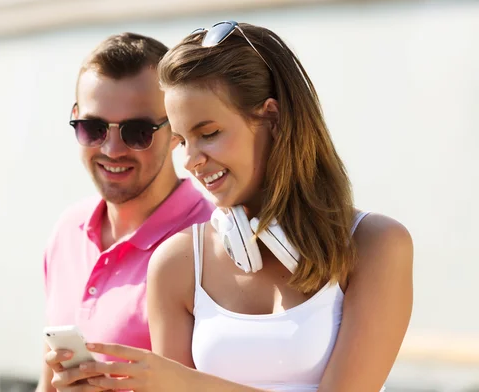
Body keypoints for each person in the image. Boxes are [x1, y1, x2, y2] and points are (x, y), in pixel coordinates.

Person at [74, 21, 414, 392]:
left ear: (273, 117)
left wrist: (189, 384)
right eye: (182, 140)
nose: (190, 160)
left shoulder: (376, 245)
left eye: (208, 134)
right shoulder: (177, 264)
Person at [35, 32, 215, 392]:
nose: (113, 149)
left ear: (176, 128)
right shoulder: (68, 232)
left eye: (138, 131)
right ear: (74, 119)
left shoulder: (213, 240)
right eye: (93, 128)